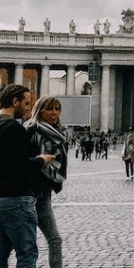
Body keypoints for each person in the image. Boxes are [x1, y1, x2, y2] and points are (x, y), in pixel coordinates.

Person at [0, 84, 54, 268]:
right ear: (15, 102)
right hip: (16, 198)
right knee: (27, 253)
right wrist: (41, 160)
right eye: (26, 103)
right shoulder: (14, 128)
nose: (29, 109)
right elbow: (20, 165)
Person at [24, 96, 68, 268]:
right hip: (28, 193)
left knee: (54, 239)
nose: (54, 112)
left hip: (44, 192)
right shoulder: (29, 130)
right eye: (50, 109)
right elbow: (22, 162)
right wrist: (41, 161)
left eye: (57, 109)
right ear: (40, 109)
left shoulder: (59, 133)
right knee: (22, 244)